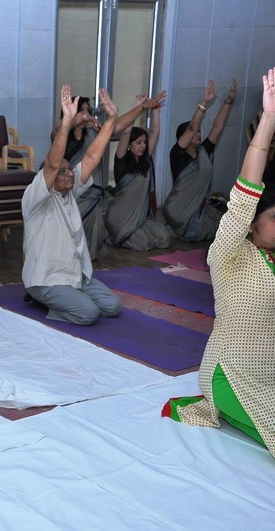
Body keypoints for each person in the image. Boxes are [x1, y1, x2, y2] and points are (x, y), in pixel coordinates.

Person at [163, 68, 275, 457]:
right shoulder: (228, 253)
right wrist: (268, 122)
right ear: (251, 223)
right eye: (274, 217)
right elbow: (246, 192)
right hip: (232, 376)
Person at [22, 85, 121, 325]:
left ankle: (68, 297)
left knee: (112, 306)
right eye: (62, 172)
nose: (69, 174)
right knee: (89, 313)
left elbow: (92, 157)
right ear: (47, 177)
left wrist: (111, 119)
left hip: (74, 275)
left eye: (70, 170)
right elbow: (53, 164)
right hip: (46, 279)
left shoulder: (70, 191)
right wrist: (67, 121)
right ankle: (42, 299)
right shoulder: (35, 197)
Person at [51, 90, 167, 256]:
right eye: (81, 110)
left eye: (87, 110)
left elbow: (119, 125)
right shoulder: (62, 137)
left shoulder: (93, 134)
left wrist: (141, 107)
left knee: (91, 248)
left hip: (91, 199)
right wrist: (76, 118)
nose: (85, 114)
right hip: (70, 196)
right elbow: (59, 130)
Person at [164, 79, 237, 241]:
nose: (198, 134)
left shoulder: (203, 151)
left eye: (199, 132)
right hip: (178, 210)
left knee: (224, 224)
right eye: (194, 132)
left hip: (196, 208)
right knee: (216, 233)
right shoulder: (177, 154)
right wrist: (204, 102)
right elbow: (191, 127)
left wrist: (228, 101)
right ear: (182, 137)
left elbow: (217, 127)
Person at [105, 93, 171, 251]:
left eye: (144, 143)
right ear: (129, 145)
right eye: (138, 142)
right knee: (143, 244)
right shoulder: (121, 159)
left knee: (164, 237)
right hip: (121, 216)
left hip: (139, 217)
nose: (143, 146)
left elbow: (155, 132)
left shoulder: (145, 160)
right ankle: (115, 236)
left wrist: (155, 109)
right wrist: (137, 106)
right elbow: (126, 132)